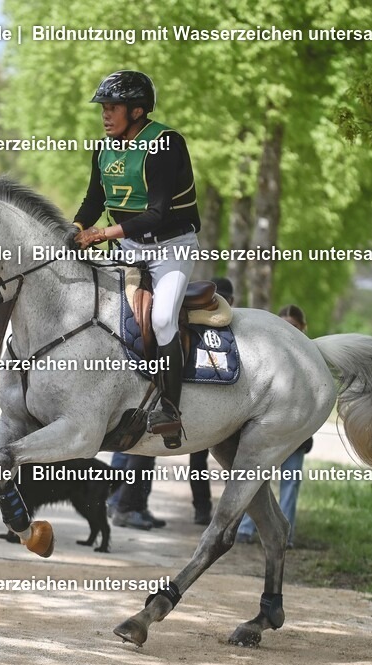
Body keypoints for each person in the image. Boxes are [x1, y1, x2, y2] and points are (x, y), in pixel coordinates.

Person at [73, 70, 201, 449]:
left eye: (112, 107)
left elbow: (157, 213)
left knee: (161, 319)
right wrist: (75, 229)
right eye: (103, 108)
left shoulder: (165, 144)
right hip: (127, 248)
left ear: (137, 110)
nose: (105, 114)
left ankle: (170, 411)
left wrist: (101, 235)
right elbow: (94, 201)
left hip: (170, 247)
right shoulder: (103, 149)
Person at [237, 304, 310, 548]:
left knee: (291, 483)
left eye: (294, 326)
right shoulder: (266, 356)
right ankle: (246, 528)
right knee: (256, 480)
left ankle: (285, 535)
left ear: (303, 328)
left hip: (296, 435)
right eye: (284, 326)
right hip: (266, 432)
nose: (289, 331)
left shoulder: (310, 358)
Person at [191, 277, 234, 525]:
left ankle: (203, 510)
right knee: (233, 463)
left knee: (198, 461)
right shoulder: (235, 331)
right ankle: (214, 512)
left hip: (203, 405)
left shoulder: (195, 325)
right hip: (222, 406)